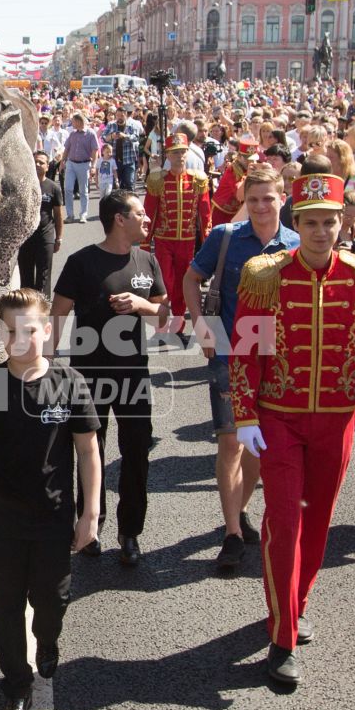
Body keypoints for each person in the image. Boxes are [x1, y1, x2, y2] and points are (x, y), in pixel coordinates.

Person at [230, 172, 355, 686]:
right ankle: (282, 639)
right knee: (285, 519)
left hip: (336, 419)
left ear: (342, 221)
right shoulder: (265, 275)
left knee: (319, 519)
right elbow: (247, 350)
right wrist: (246, 414)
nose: (322, 231)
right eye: (311, 223)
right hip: (279, 418)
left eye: (330, 221)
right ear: (295, 223)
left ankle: (295, 605)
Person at [0, 287, 101, 710]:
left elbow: (89, 451)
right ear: (0, 333)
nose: (21, 339)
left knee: (52, 600)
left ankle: (49, 641)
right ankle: (16, 686)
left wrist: (89, 514)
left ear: (47, 330)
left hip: (55, 517)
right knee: (7, 608)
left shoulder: (69, 382)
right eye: (12, 331)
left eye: (30, 330)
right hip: (3, 519)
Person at [182, 167, 296, 575]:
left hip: (281, 361)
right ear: (245, 201)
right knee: (230, 444)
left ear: (283, 198)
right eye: (254, 200)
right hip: (232, 354)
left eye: (269, 198)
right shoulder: (225, 237)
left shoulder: (298, 245)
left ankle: (241, 510)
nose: (262, 207)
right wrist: (202, 327)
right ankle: (231, 533)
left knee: (261, 447)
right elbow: (191, 278)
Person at [51, 190, 166, 567]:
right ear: (120, 218)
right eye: (140, 214)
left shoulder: (147, 260)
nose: (146, 220)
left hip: (134, 375)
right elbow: (58, 314)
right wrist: (48, 365)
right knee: (90, 450)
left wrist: (142, 305)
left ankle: (130, 531)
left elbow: (163, 317)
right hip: (88, 376)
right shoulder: (82, 262)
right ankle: (90, 525)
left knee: (136, 453)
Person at [142, 133, 212, 335]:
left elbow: (204, 216)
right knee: (164, 281)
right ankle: (162, 321)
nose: (179, 156)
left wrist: (207, 244)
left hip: (187, 241)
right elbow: (150, 213)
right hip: (164, 240)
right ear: (168, 155)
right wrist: (146, 242)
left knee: (184, 282)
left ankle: (179, 322)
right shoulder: (158, 180)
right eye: (174, 153)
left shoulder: (198, 180)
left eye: (182, 152)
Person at [17, 149, 62, 297]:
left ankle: (42, 308)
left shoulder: (53, 188)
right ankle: (27, 307)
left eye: (41, 162)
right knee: (26, 274)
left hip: (45, 236)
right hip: (26, 236)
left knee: (44, 275)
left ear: (47, 166)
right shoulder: (23, 185)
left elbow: (58, 215)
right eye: (34, 161)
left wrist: (58, 238)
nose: (37, 164)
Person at [61, 113, 99, 223]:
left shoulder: (91, 133)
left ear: (78, 121)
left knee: (83, 191)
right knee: (68, 189)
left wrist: (93, 166)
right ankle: (70, 215)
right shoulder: (72, 134)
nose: (71, 123)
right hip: (71, 163)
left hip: (84, 164)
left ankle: (83, 214)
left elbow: (95, 150)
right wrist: (63, 161)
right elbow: (67, 148)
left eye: (73, 121)